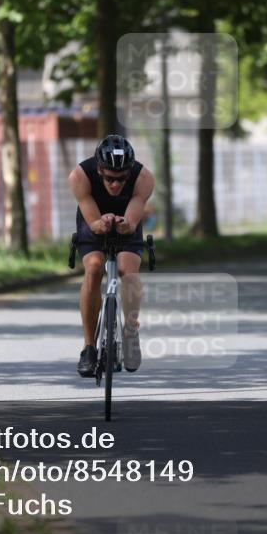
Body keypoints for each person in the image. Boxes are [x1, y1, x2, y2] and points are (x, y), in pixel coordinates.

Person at [68, 134, 155, 378]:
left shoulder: (144, 178)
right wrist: (100, 223)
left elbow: (131, 222)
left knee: (128, 270)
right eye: (109, 178)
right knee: (94, 268)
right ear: (99, 169)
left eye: (121, 179)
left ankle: (130, 331)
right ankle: (88, 347)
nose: (116, 184)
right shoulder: (80, 177)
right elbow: (93, 223)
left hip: (126, 219)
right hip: (93, 218)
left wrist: (124, 224)